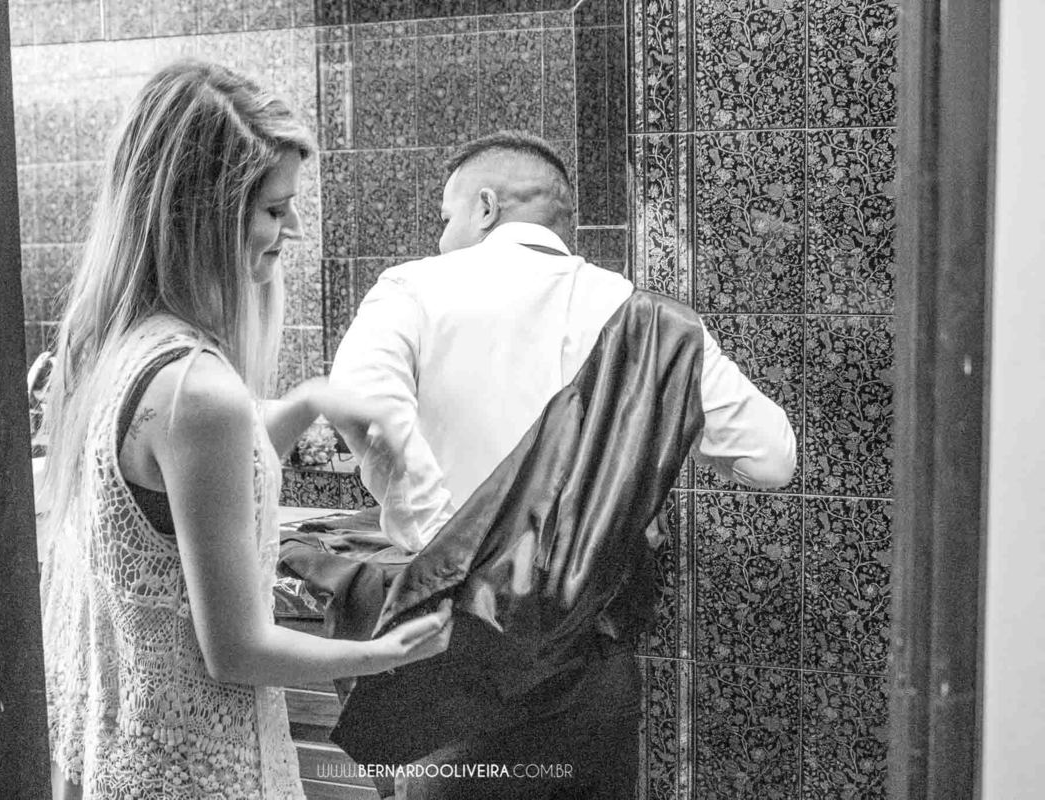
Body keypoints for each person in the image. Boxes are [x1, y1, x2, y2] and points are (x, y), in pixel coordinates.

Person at [327, 131, 796, 797]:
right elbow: (772, 458)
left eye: (445, 217)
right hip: (591, 666)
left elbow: (361, 409)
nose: (440, 237)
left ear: (485, 207)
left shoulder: (414, 289)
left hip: (458, 660)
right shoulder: (647, 320)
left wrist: (445, 542)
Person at [36, 60, 452, 800]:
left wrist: (309, 401)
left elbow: (186, 491)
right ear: (201, 214)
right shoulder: (200, 392)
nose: (294, 229)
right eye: (273, 209)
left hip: (128, 762)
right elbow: (236, 650)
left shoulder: (110, 348)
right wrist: (385, 651)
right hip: (198, 776)